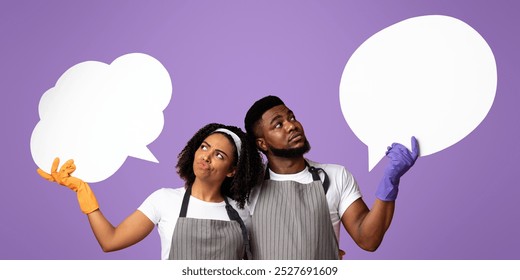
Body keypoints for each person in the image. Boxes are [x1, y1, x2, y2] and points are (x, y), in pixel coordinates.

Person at [37, 123, 264, 260]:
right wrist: (83, 192)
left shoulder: (243, 213)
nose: (206, 156)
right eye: (204, 147)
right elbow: (110, 241)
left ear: (232, 171)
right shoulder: (164, 200)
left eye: (219, 155)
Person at [244, 95, 419, 260]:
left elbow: (368, 239)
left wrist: (390, 180)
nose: (292, 125)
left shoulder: (336, 176)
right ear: (262, 143)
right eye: (278, 125)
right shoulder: (247, 190)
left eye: (291, 117)